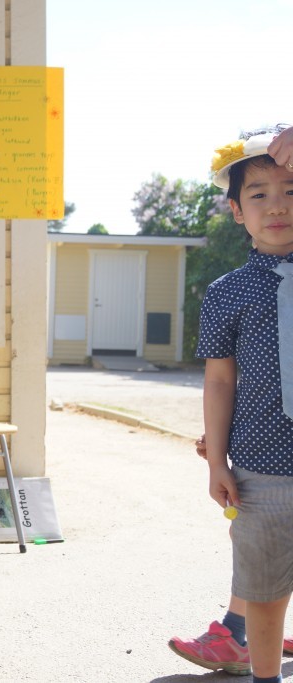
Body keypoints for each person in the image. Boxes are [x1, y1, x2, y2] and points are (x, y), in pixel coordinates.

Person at [194, 126, 293, 683]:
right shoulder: (228, 291)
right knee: (263, 587)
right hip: (261, 471)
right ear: (236, 211)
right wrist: (217, 461)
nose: (277, 206)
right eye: (259, 194)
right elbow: (219, 383)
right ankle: (265, 676)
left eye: (292, 190)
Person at [168, 431, 293, 674]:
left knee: (263, 543)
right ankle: (235, 633)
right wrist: (222, 443)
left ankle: (235, 634)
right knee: (253, 540)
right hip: (269, 452)